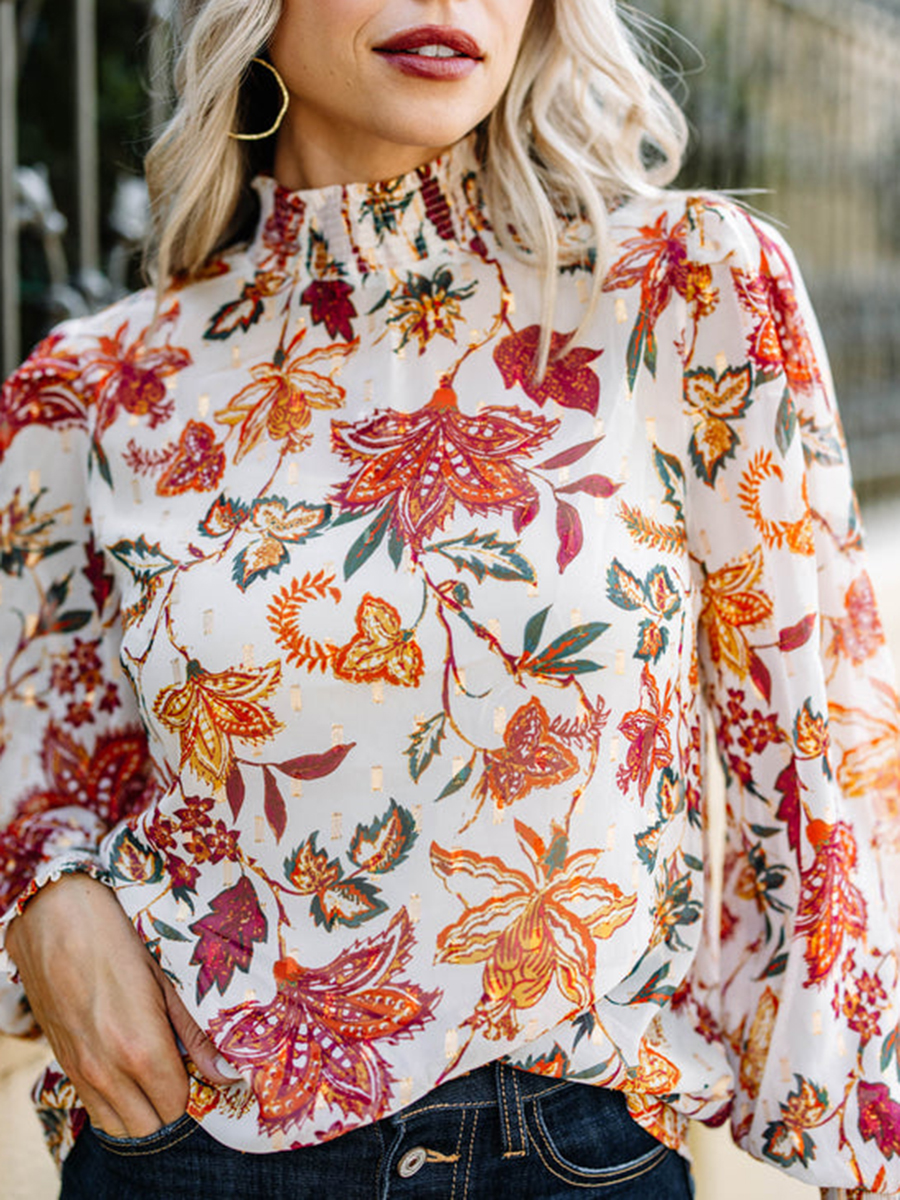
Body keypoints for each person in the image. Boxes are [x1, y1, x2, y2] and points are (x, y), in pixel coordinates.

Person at [1, 1, 898, 1196]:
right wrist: (44, 901)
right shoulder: (93, 391)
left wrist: (845, 1134)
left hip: (565, 1151)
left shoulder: (680, 288)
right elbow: (41, 766)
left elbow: (822, 747)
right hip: (185, 1152)